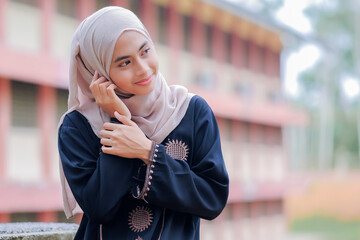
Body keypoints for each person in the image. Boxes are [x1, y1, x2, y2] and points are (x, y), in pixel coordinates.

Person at [58, 6, 229, 240]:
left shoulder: (191, 112)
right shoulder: (79, 126)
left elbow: (212, 198)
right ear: (97, 73)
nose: (143, 68)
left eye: (145, 50)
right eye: (124, 63)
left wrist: (147, 152)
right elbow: (99, 208)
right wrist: (119, 122)